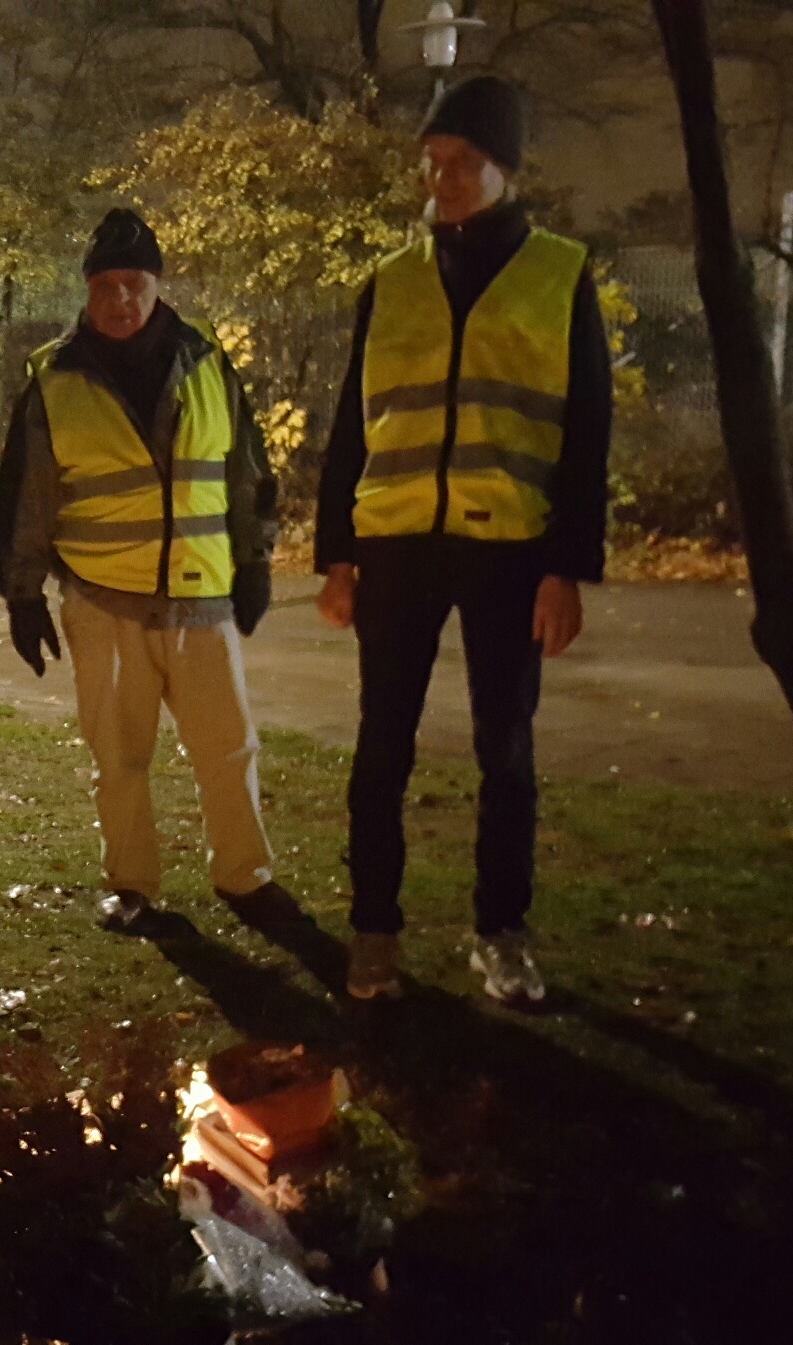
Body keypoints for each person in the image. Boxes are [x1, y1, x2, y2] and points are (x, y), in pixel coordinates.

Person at [312, 76, 612, 1005]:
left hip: (509, 547)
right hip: (397, 542)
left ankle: (501, 933)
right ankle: (374, 929)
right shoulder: (391, 280)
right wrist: (335, 554)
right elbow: (352, 422)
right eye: (434, 160)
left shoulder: (559, 274)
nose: (443, 178)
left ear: (505, 169)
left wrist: (567, 568)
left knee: (506, 753)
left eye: (465, 161)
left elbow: (588, 431)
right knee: (381, 747)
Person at [0, 208, 282, 934]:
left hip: (201, 598)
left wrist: (254, 559)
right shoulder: (54, 377)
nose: (120, 298)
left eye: (134, 283)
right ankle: (130, 884)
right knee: (119, 758)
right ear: (86, 290)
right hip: (104, 602)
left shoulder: (208, 360)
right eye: (105, 285)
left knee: (229, 750)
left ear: (157, 284)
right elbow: (28, 497)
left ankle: (245, 877)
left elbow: (245, 471)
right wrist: (23, 596)